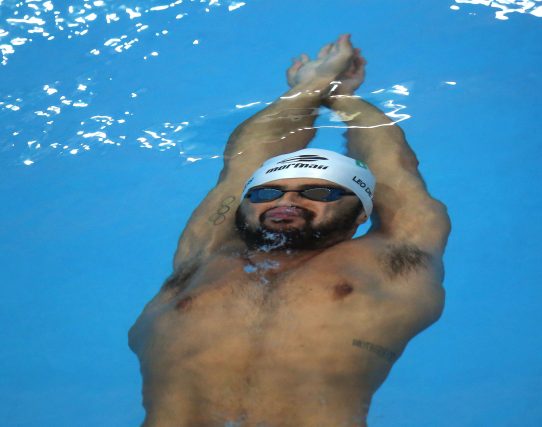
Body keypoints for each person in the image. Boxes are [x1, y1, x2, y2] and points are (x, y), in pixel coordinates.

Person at [129, 34, 451, 427]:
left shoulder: (393, 260)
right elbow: (243, 163)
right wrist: (309, 88)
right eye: (267, 192)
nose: (287, 200)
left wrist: (342, 98)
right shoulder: (202, 258)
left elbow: (395, 171)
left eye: (318, 192)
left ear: (360, 214)